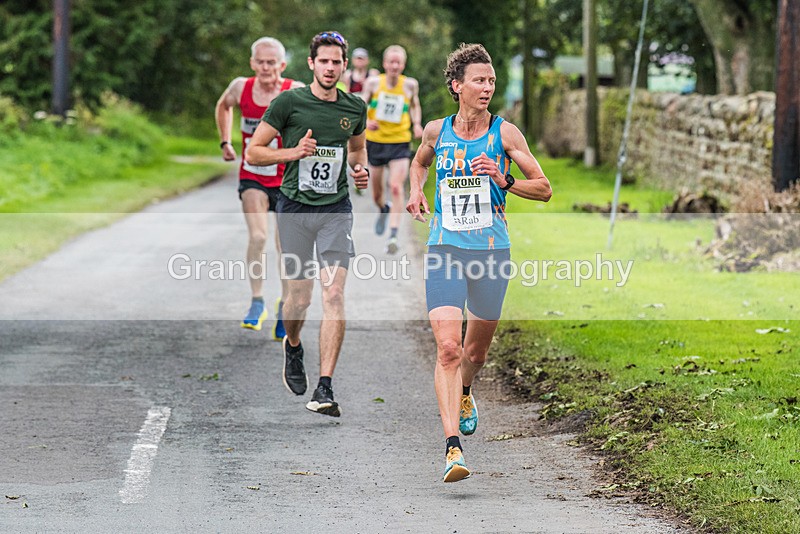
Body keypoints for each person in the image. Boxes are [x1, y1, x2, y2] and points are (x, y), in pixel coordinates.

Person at [406, 43, 552, 482]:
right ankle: (453, 448)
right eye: (479, 81)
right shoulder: (436, 130)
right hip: (445, 249)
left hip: (491, 252)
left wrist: (503, 179)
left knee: (475, 351)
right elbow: (419, 162)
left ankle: (467, 389)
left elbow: (543, 188)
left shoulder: (505, 135)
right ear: (457, 86)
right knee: (448, 348)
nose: (487, 88)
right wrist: (416, 190)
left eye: (491, 81)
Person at [245, 31, 369, 418]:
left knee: (333, 295)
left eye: (337, 62)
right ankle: (293, 345)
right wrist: (294, 152)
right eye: (324, 61)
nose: (331, 68)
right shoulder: (289, 103)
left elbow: (358, 148)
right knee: (299, 299)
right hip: (295, 209)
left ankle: (326, 386)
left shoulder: (354, 107)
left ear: (344, 66)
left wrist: (359, 169)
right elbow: (254, 151)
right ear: (312, 64)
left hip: (336, 210)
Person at [215, 37, 304, 337]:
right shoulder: (241, 87)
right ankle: (256, 301)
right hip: (252, 174)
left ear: (282, 64)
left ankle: (284, 304)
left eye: (272, 62)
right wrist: (226, 141)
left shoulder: (294, 90)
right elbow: (223, 106)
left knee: (285, 245)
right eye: (260, 62)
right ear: (252, 63)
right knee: (258, 236)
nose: (266, 68)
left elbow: (319, 111)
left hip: (286, 178)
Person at [360, 45, 424, 254]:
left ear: (403, 64)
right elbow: (361, 105)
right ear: (384, 63)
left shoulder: (410, 85)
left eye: (398, 62)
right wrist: (366, 121)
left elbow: (415, 105)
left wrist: (416, 124)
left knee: (396, 186)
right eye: (391, 62)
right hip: (376, 141)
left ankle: (393, 235)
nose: (394, 66)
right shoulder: (372, 83)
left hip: (399, 142)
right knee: (377, 193)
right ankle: (383, 208)